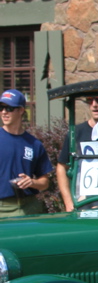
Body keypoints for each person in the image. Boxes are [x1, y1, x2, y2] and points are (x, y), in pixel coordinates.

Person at [0, 89, 53, 218]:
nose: (4, 112)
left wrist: (32, 182)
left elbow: (45, 183)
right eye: (1, 108)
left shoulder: (34, 144)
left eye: (9, 108)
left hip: (29, 207)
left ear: (21, 110)